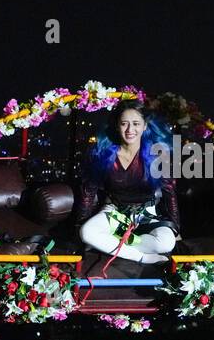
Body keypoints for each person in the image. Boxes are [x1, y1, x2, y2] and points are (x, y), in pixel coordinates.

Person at [73, 102, 179, 265]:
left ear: (144, 126)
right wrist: (79, 226)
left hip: (146, 214)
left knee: (166, 243)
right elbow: (88, 192)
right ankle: (141, 257)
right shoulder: (102, 154)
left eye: (136, 123)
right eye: (124, 124)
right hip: (114, 212)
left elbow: (169, 193)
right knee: (87, 233)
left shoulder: (157, 155)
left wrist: (175, 227)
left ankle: (113, 243)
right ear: (117, 126)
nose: (130, 129)